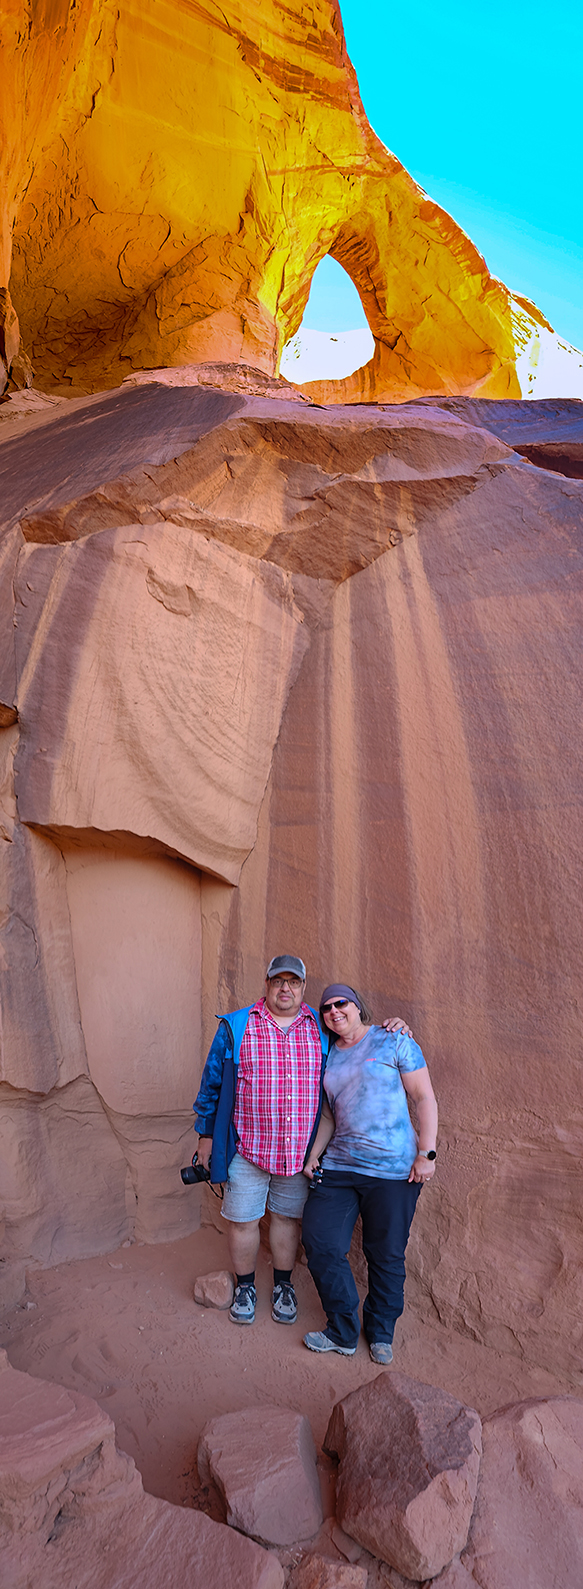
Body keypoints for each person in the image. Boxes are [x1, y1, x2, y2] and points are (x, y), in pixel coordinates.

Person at [193, 956, 411, 1329]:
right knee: (244, 1221)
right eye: (279, 981)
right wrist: (206, 1135)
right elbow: (212, 1083)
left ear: (303, 988)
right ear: (266, 984)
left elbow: (358, 1041)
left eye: (294, 982)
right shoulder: (237, 1026)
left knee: (286, 1220)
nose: (285, 989)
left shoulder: (321, 1028)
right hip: (248, 1148)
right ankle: (245, 1287)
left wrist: (395, 1026)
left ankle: (283, 1286)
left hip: (298, 1153)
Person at [301, 982, 438, 1364]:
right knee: (320, 1241)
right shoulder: (329, 1055)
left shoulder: (394, 1040)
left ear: (358, 1006)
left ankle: (380, 1331)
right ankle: (343, 1330)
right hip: (340, 1167)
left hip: (394, 1171)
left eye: (340, 1003)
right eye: (326, 1008)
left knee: (386, 1253)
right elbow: (330, 1113)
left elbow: (424, 1098)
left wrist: (426, 1153)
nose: (333, 1011)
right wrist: (315, 1155)